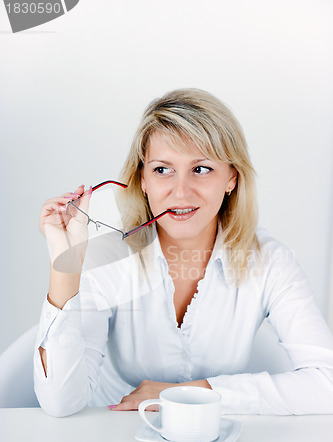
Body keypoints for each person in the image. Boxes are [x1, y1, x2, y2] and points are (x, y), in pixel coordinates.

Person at [34, 88, 333, 417]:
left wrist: (186, 394)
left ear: (232, 177)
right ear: (143, 180)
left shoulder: (270, 261)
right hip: (115, 436)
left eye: (201, 169)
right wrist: (65, 263)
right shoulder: (107, 258)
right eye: (162, 169)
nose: (180, 191)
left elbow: (326, 383)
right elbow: (60, 403)